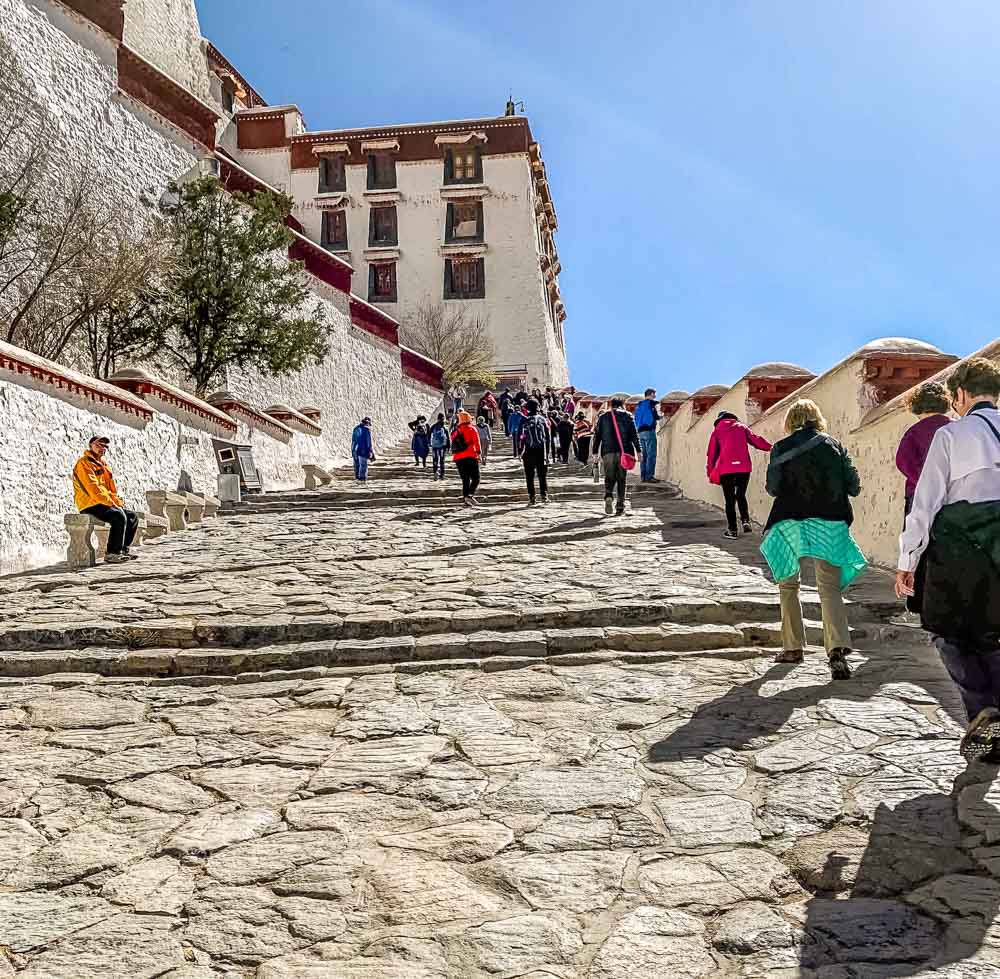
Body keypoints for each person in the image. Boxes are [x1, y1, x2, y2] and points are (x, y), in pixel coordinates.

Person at [895, 358, 1000, 760]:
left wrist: (908, 558)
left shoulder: (952, 435)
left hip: (960, 546)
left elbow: (925, 503)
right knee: (993, 631)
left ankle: (983, 710)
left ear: (960, 394)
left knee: (944, 627)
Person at [760, 399, 865, 680]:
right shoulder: (834, 446)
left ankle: (793, 647)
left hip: (789, 520)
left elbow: (773, 488)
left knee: (788, 583)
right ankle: (836, 650)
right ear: (817, 419)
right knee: (829, 587)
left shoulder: (781, 448)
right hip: (829, 520)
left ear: (791, 421)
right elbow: (854, 486)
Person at [706, 410, 773, 539]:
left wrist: (710, 472)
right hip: (743, 468)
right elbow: (756, 440)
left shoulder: (716, 431)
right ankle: (745, 521)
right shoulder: (741, 427)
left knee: (729, 500)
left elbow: (711, 454)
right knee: (741, 495)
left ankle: (732, 530)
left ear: (719, 420)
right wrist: (771, 447)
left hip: (726, 469)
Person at [72, 436, 139, 564]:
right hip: (90, 504)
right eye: (99, 445)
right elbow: (94, 489)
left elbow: (110, 489)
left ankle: (122, 549)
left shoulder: (104, 465)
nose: (102, 448)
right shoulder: (84, 463)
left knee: (132, 516)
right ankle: (112, 553)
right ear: (91, 445)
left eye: (104, 446)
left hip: (103, 502)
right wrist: (112, 503)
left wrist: (117, 502)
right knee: (118, 516)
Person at [895, 381, 952, 520]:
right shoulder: (956, 427)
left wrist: (926, 482)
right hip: (955, 495)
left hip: (921, 496)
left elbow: (903, 461)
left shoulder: (914, 432)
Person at [591, 397, 641, 516]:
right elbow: (634, 435)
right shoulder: (628, 416)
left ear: (610, 405)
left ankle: (608, 495)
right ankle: (620, 506)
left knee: (609, 477)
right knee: (621, 479)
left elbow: (597, 436)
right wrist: (639, 451)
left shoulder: (603, 417)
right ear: (622, 405)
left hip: (607, 452)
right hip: (624, 452)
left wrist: (595, 453)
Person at [517, 398, 552, 505]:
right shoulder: (543, 419)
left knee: (529, 476)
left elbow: (520, 437)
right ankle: (544, 495)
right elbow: (548, 437)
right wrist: (548, 452)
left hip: (528, 451)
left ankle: (532, 498)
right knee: (542, 475)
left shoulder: (524, 420)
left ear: (527, 409)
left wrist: (520, 451)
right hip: (541, 451)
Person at [451, 410, 482, 506]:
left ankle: (466, 497)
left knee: (465, 478)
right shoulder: (472, 429)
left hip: (458, 458)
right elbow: (477, 442)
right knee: (476, 478)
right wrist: (479, 454)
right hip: (470, 456)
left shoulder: (455, 431)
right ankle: (470, 495)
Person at [634, 388, 661, 484]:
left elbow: (636, 418)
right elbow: (655, 416)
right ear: (650, 394)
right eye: (654, 394)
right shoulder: (651, 404)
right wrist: (661, 416)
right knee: (651, 454)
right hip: (649, 431)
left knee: (644, 455)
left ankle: (643, 477)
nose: (655, 396)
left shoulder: (639, 405)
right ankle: (649, 476)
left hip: (640, 432)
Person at [351, 417, 375, 481]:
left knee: (357, 465)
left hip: (355, 450)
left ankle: (357, 478)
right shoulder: (366, 430)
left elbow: (353, 440)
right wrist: (370, 451)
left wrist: (353, 450)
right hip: (363, 451)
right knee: (363, 466)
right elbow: (368, 442)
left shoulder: (356, 428)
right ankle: (362, 479)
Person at [429, 413, 449, 481]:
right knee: (442, 461)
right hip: (442, 447)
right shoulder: (444, 427)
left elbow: (429, 434)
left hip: (434, 446)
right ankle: (442, 475)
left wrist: (429, 443)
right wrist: (448, 446)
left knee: (435, 460)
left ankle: (435, 474)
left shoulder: (433, 426)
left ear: (437, 419)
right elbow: (448, 438)